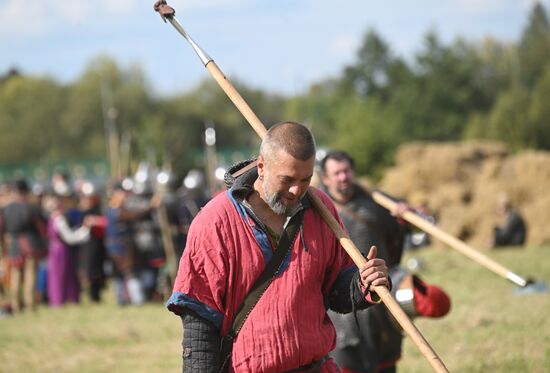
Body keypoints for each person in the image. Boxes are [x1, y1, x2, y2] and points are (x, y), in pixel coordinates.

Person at [166, 122, 390, 372]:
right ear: (262, 166)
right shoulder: (216, 221)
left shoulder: (320, 208)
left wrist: (363, 282)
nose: (297, 190)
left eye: (306, 179)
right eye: (287, 179)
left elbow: (336, 289)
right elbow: (200, 321)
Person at [320, 150, 451, 373]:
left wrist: (403, 218)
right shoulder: (318, 210)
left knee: (383, 362)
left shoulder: (377, 204)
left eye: (347, 171)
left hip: (378, 295)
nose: (343, 177)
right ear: (326, 178)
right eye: (337, 173)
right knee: (345, 362)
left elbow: (400, 238)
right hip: (339, 301)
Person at [0, 179, 47, 313]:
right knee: (30, 275)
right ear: (26, 191)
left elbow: (1, 229)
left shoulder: (5, 209)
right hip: (31, 243)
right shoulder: (32, 207)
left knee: (15, 276)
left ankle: (15, 306)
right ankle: (30, 305)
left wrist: (3, 247)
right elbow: (42, 228)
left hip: (14, 244)